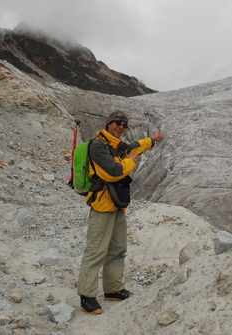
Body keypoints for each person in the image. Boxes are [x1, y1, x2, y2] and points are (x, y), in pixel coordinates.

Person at [77, 110, 165, 314]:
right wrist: (130, 162)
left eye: (124, 125)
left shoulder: (117, 146)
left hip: (116, 204)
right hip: (102, 205)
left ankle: (113, 289)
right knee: (96, 250)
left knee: (117, 248)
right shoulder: (98, 146)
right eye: (117, 123)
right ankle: (87, 296)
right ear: (108, 124)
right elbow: (113, 172)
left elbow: (134, 147)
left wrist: (151, 140)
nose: (121, 127)